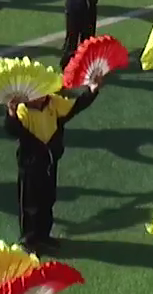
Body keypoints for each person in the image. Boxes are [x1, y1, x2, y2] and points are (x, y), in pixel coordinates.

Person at [6, 82, 101, 251]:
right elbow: (13, 130)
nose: (40, 96)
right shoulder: (23, 111)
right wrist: (11, 113)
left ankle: (44, 235)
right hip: (30, 167)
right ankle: (29, 240)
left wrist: (92, 90)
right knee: (30, 204)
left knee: (48, 199)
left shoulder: (54, 103)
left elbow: (75, 106)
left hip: (49, 162)